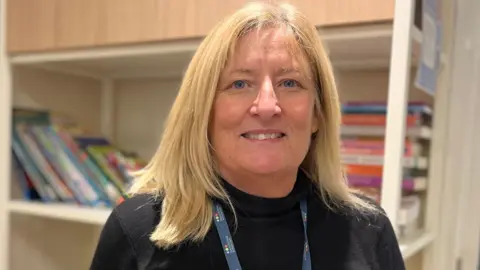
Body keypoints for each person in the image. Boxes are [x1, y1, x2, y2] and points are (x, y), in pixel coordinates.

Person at [90, 2, 405, 270]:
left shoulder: (369, 231)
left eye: (290, 83)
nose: (267, 106)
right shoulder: (138, 229)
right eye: (239, 84)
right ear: (203, 111)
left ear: (317, 113)